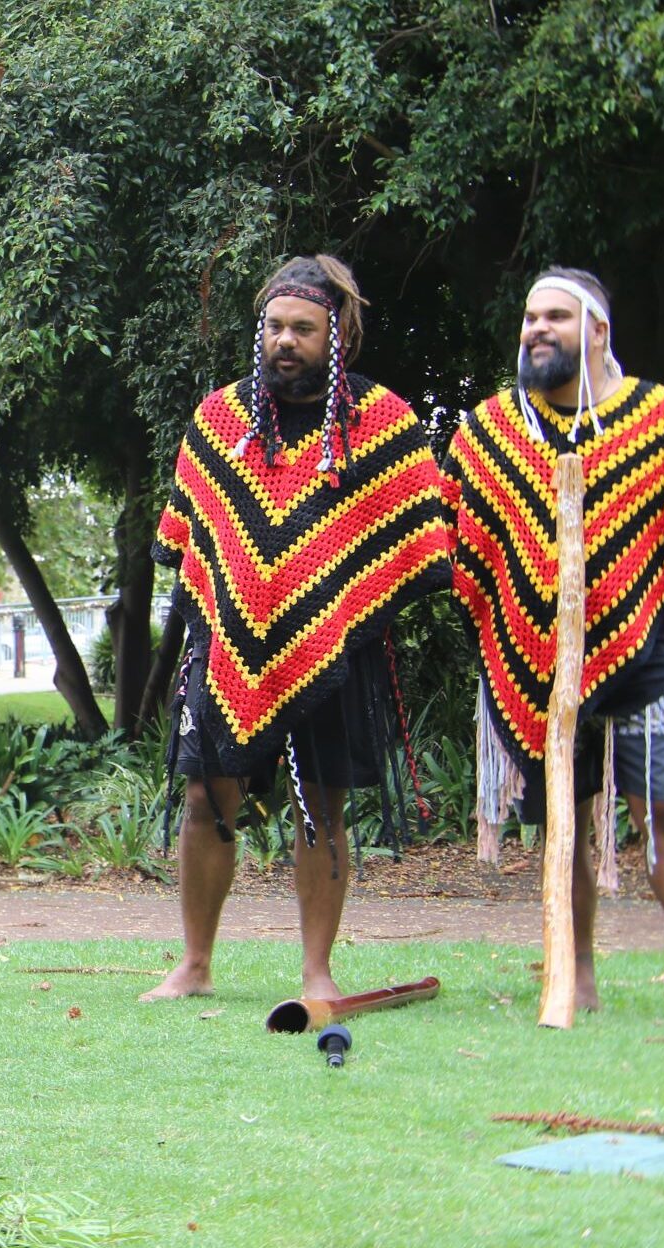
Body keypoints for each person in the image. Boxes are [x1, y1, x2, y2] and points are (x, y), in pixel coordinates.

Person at [442, 267, 664, 1019]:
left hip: (641, 661)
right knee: (564, 824)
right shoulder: (492, 431)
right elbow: (455, 548)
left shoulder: (659, 420)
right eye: (529, 318)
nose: (536, 330)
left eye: (555, 316)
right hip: (529, 670)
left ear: (597, 331)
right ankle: (575, 975)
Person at [144, 255, 454, 1003]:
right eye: (274, 326)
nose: (286, 340)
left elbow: (415, 536)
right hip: (225, 649)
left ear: (337, 331)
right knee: (204, 798)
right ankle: (194, 963)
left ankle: (318, 972)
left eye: (303, 329)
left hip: (335, 648)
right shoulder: (221, 420)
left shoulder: (380, 424)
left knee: (323, 804)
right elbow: (198, 539)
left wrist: (338, 609)